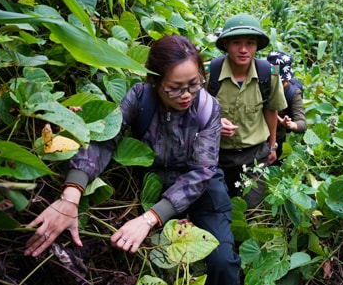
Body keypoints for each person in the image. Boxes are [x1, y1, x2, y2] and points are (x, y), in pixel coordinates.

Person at [25, 35, 241, 285]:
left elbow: (201, 172)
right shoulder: (141, 98)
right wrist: (71, 195)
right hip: (155, 181)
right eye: (175, 87)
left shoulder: (208, 108)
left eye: (194, 84)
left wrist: (149, 219)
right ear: (155, 81)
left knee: (223, 263)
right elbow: (105, 139)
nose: (186, 95)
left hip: (203, 188)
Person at [207, 13, 287, 210]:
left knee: (251, 209)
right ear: (226, 44)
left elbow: (271, 110)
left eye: (250, 43)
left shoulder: (268, 74)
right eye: (236, 42)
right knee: (217, 208)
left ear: (257, 46)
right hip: (216, 154)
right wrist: (215, 125)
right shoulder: (210, 73)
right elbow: (197, 111)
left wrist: (273, 145)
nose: (243, 49)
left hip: (255, 155)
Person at [266, 51, 307, 164]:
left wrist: (291, 124)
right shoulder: (261, 84)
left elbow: (302, 123)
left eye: (280, 82)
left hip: (278, 138)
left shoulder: (293, 93)